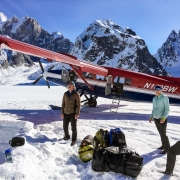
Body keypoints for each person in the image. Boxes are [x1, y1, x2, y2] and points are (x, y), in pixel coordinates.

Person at [149, 85, 170, 154]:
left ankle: (167, 148)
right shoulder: (154, 98)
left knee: (163, 134)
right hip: (156, 118)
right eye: (156, 90)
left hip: (162, 118)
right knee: (160, 133)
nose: (157, 91)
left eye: (158, 90)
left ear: (161, 90)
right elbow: (154, 108)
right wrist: (151, 116)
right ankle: (163, 145)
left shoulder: (164, 98)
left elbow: (167, 109)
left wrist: (163, 118)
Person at [61, 81, 81, 146]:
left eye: (70, 84)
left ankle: (74, 140)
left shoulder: (76, 94)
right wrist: (62, 113)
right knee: (65, 126)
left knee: (73, 128)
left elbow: (78, 105)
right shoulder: (65, 94)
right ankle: (67, 136)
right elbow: (63, 103)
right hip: (66, 113)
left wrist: (77, 114)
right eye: (68, 84)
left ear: (73, 86)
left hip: (73, 113)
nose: (69, 85)